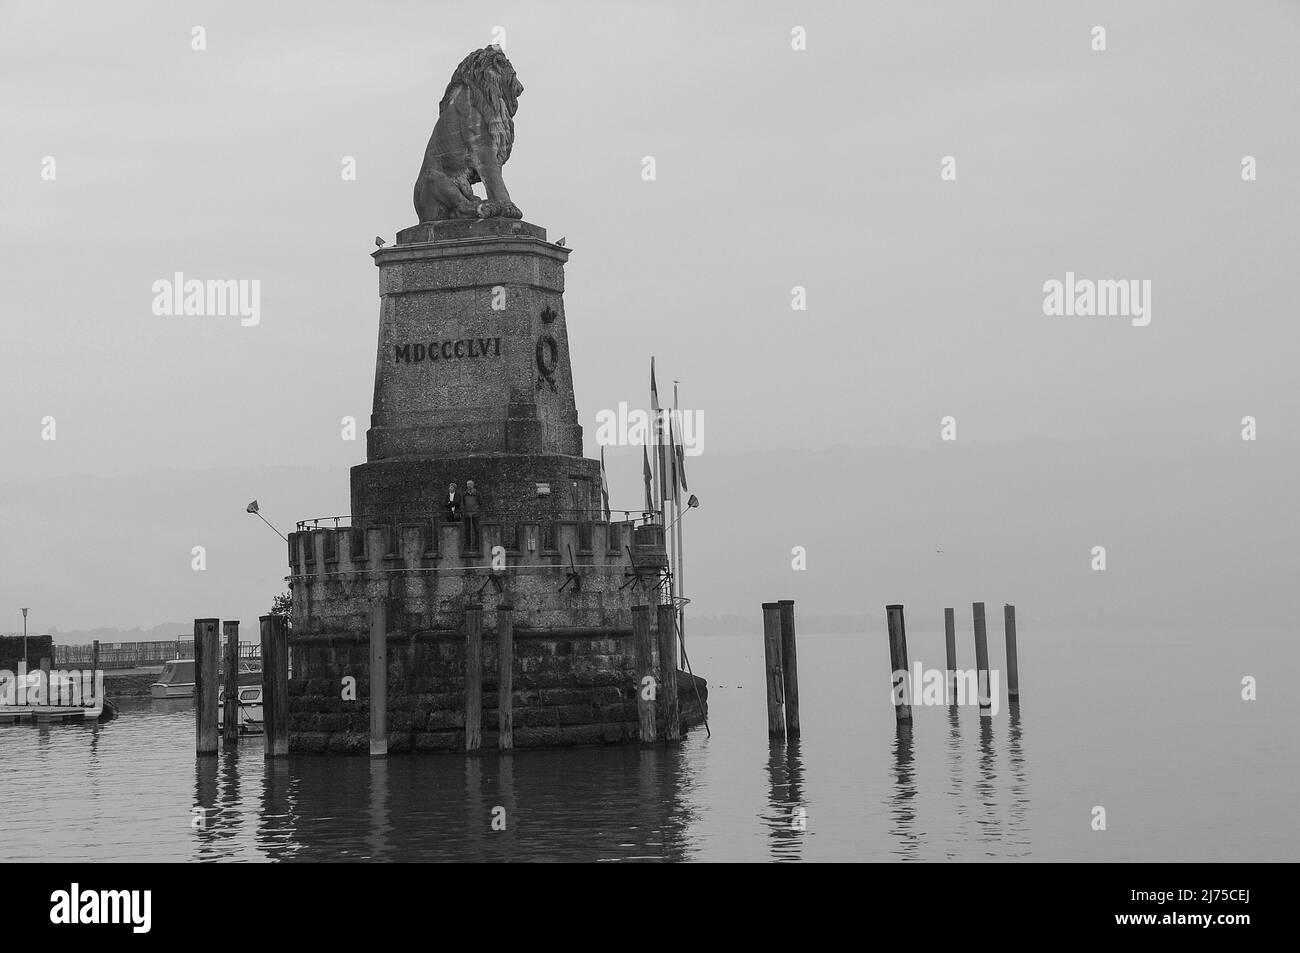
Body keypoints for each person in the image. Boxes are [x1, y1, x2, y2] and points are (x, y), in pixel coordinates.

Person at [462, 480, 481, 549]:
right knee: (467, 529)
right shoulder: (464, 494)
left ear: (473, 485)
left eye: (470, 484)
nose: (469, 485)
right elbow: (463, 503)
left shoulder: (477, 493)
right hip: (467, 514)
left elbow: (480, 503)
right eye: (468, 484)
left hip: (475, 514)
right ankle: (468, 544)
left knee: (477, 529)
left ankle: (477, 544)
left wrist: (477, 510)